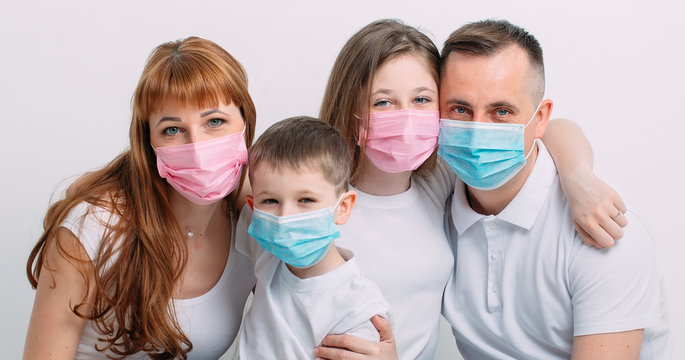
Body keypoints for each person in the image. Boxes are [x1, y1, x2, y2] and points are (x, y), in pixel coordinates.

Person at [310, 19, 629, 360]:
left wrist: (577, 175)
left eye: (421, 100)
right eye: (383, 103)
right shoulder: (306, 202)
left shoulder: (437, 179)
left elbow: (546, 126)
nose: (405, 121)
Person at [439, 19, 670, 359]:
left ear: (540, 117)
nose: (476, 135)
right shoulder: (434, 195)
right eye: (460, 109)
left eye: (501, 111)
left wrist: (577, 175)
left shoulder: (605, 232)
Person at [23, 37, 257, 359]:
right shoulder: (93, 228)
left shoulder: (257, 223)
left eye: (214, 122)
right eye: (173, 130)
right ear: (149, 142)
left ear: (245, 124)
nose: (197, 148)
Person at [235, 116, 392, 359]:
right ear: (253, 207)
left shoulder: (359, 309)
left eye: (305, 200)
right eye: (271, 201)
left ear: (343, 207)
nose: (285, 217)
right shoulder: (268, 254)